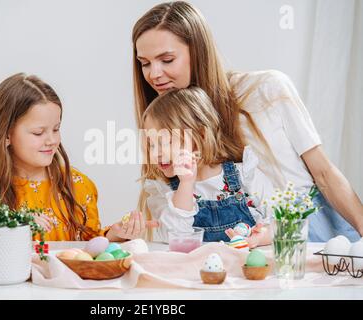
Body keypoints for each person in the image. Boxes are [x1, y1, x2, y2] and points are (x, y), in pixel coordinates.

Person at [132, 1, 362, 242]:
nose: (154, 74)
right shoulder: (164, 129)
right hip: (249, 254)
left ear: (198, 52)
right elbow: (173, 223)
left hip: (312, 233)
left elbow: (324, 173)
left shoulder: (266, 90)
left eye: (167, 59)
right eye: (145, 63)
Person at [0, 73, 146, 248]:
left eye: (56, 129)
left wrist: (114, 235)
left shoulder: (78, 185)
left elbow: (87, 246)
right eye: (39, 133)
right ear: (6, 134)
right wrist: (10, 228)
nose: (52, 140)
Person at [142, 86, 272, 247]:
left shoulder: (245, 175)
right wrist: (186, 184)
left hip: (245, 267)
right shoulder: (166, 191)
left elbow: (281, 223)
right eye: (151, 144)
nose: (155, 153)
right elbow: (174, 236)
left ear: (201, 137)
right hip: (197, 269)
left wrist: (258, 238)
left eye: (165, 142)